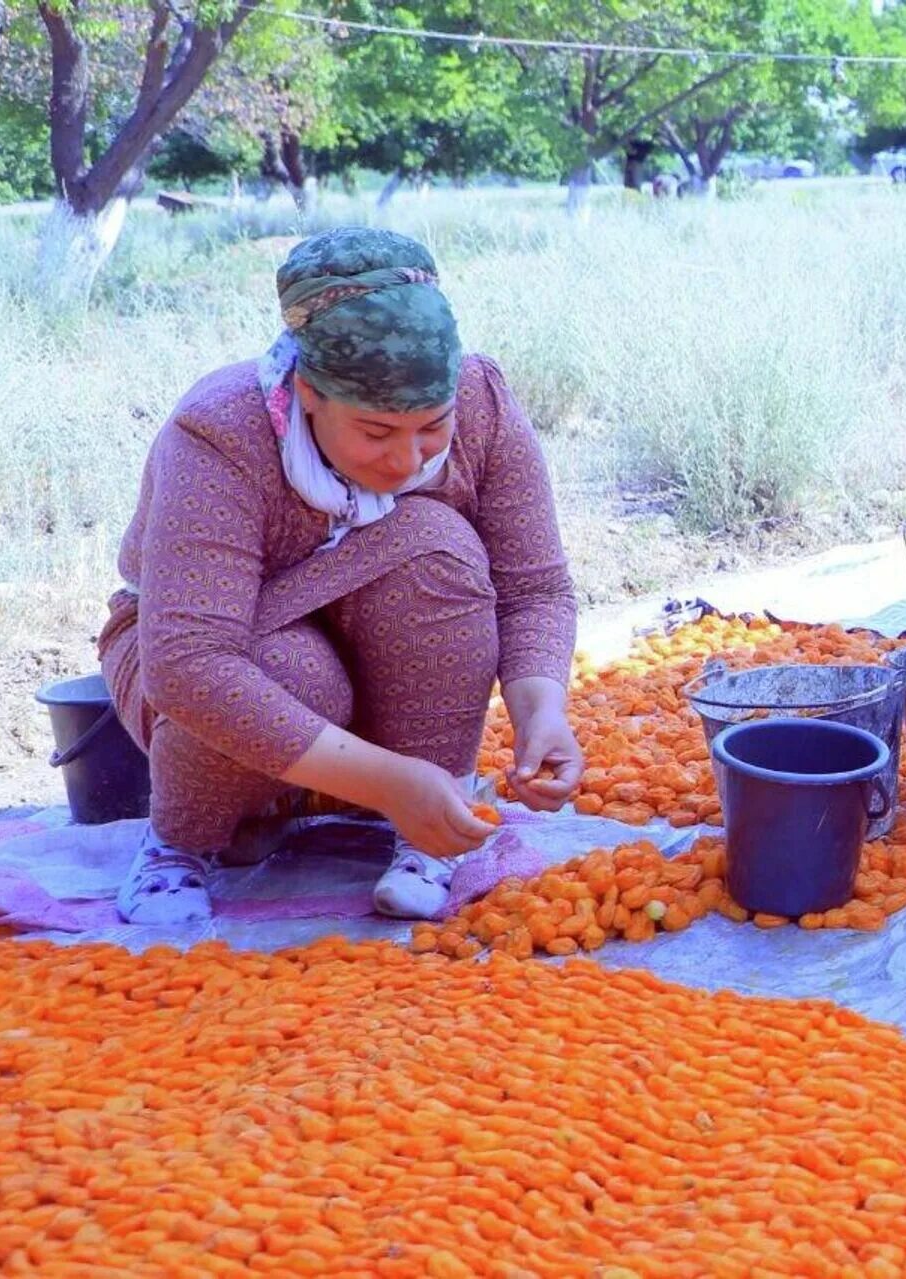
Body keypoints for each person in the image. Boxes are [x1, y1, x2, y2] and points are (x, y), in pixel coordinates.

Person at [99, 227, 583, 925]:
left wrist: (543, 713)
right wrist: (386, 780)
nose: (406, 458)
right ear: (307, 393)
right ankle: (181, 838)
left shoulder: (484, 402)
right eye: (376, 433)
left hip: (372, 640)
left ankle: (426, 832)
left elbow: (533, 585)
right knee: (293, 672)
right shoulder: (220, 433)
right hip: (213, 647)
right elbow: (188, 663)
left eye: (432, 427)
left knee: (437, 543)